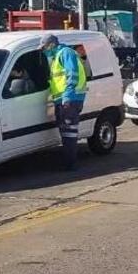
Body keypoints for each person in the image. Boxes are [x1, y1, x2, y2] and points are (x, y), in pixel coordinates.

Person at [40, 34, 87, 171]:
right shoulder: (57, 56)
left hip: (70, 100)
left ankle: (69, 164)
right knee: (66, 131)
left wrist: (67, 95)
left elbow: (72, 74)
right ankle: (68, 161)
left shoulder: (65, 53)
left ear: (51, 45)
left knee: (69, 132)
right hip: (63, 99)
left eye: (44, 48)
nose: (43, 51)